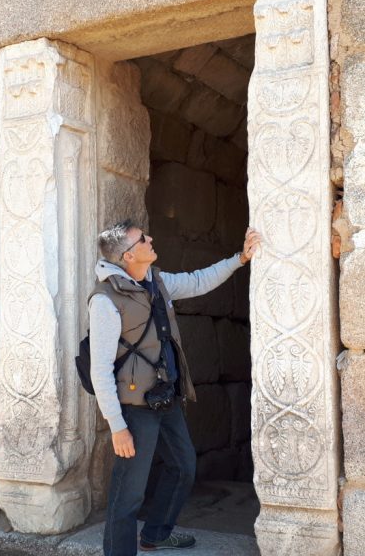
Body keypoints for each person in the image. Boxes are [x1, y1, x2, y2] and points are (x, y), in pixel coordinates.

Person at [90, 220, 260, 555]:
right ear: (127, 256)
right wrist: (117, 426)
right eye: (142, 239)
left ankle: (156, 533)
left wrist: (240, 258)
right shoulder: (105, 301)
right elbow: (100, 369)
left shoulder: (158, 282)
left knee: (183, 466)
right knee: (129, 494)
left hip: (164, 398)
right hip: (135, 409)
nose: (150, 239)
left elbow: (198, 282)